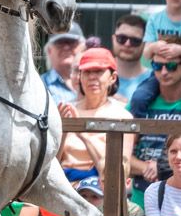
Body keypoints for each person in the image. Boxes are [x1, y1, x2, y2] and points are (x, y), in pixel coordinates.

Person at [128, 36, 181, 198]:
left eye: (171, 66)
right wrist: (145, 167)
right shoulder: (139, 104)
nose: (164, 72)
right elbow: (120, 155)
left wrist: (162, 166)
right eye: (157, 66)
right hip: (142, 196)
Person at [57, 48, 134, 184]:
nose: (92, 77)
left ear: (113, 77)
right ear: (80, 77)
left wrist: (81, 133)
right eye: (86, 72)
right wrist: (62, 129)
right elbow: (51, 163)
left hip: (102, 191)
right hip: (65, 187)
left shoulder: (122, 115)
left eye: (98, 71)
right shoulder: (66, 110)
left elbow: (120, 170)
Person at [41, 25, 86, 104]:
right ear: (49, 50)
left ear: (83, 47)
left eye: (72, 42)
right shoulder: (40, 85)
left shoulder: (94, 81)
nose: (66, 47)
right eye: (59, 43)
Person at [112, 14, 148, 101]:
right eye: (122, 38)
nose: (127, 44)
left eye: (135, 41)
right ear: (113, 39)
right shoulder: (99, 75)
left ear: (144, 44)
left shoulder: (155, 79)